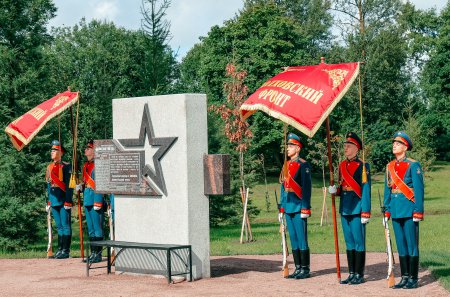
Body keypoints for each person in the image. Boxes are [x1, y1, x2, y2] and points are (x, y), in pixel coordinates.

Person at [329, 132, 371, 285]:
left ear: (356, 148)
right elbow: (343, 186)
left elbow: (366, 190)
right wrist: (336, 191)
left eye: (348, 145)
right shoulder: (341, 165)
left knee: (359, 242)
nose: (345, 148)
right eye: (345, 145)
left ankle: (359, 274)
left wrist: (365, 211)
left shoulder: (363, 166)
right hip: (345, 207)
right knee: (349, 242)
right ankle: (352, 273)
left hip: (357, 208)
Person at [383, 131, 424, 289]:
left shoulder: (414, 165)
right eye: (394, 143)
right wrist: (387, 210)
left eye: (398, 144)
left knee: (411, 245)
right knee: (401, 245)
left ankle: (413, 279)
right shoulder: (390, 166)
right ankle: (404, 277)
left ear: (405, 147)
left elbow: (418, 191)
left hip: (409, 210)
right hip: (395, 210)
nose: (394, 145)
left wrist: (418, 211)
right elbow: (388, 190)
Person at [278, 132, 312, 279]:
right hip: (289, 206)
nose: (288, 148)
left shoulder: (303, 165)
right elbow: (283, 188)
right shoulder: (286, 165)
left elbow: (307, 188)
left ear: (298, 148)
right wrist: (282, 207)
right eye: (288, 145)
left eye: (291, 146)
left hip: (299, 206)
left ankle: (305, 269)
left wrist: (305, 207)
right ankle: (297, 268)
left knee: (301, 238)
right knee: (293, 237)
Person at [76, 140, 104, 263]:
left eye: (88, 148)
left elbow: (100, 184)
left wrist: (98, 201)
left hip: (95, 200)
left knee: (97, 228)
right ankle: (93, 253)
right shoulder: (85, 166)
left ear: (94, 150)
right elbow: (86, 182)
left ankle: (98, 254)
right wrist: (80, 187)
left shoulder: (98, 165)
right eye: (86, 148)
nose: (85, 150)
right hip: (87, 199)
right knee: (91, 228)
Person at [45, 140, 73, 259]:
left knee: (65, 225)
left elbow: (69, 185)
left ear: (60, 152)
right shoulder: (50, 167)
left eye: (54, 150)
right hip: (54, 200)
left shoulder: (66, 166)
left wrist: (68, 200)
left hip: (63, 199)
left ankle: (66, 251)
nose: (52, 152)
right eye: (51, 150)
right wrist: (49, 200)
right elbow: (48, 185)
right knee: (59, 226)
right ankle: (60, 249)